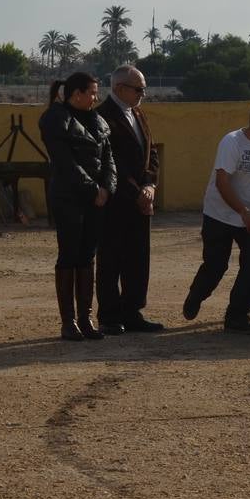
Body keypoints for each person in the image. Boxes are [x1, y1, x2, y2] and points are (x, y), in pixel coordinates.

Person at [182, 102, 250, 334]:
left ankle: (238, 315)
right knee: (216, 265)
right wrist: (242, 212)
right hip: (221, 214)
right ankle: (196, 295)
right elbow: (222, 182)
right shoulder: (232, 142)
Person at [39, 73, 116, 341]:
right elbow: (65, 163)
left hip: (95, 199)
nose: (96, 97)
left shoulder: (98, 121)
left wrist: (107, 187)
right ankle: (68, 321)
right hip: (68, 197)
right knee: (69, 254)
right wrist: (93, 189)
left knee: (87, 255)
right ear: (77, 94)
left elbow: (109, 160)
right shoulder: (54, 119)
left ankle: (86, 318)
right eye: (92, 92)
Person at [95, 65, 162, 334]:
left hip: (140, 199)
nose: (142, 94)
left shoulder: (139, 115)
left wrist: (150, 186)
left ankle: (132, 310)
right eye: (138, 89)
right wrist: (137, 192)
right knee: (111, 257)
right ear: (119, 88)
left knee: (137, 257)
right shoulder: (101, 117)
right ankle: (110, 315)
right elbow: (110, 163)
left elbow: (151, 153)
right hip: (116, 200)